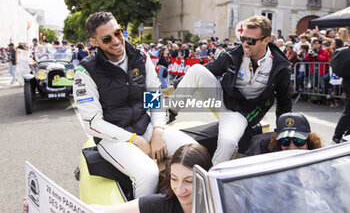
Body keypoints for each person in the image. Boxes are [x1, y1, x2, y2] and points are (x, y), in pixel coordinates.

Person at [73, 12, 197, 198]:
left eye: (118, 33)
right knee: (148, 174)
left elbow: (154, 95)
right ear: (94, 42)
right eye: (107, 38)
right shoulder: (85, 71)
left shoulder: (140, 56)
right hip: (113, 139)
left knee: (194, 154)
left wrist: (157, 130)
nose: (116, 41)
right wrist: (134, 139)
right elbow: (93, 123)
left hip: (144, 126)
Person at [166, 15, 292, 165]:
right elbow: (208, 70)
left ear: (266, 40)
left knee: (228, 143)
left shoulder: (280, 67)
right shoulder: (233, 53)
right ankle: (169, 114)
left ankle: (211, 180)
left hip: (240, 114)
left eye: (250, 41)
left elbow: (285, 102)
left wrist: (283, 133)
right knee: (197, 69)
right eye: (243, 38)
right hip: (222, 99)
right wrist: (173, 86)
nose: (245, 44)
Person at [91, 144, 212, 213]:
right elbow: (102, 210)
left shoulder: (223, 203)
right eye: (174, 179)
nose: (179, 190)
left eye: (188, 181)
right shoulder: (163, 204)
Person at [244, 112, 323, 156]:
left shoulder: (320, 161)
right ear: (278, 143)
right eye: (285, 141)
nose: (292, 148)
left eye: (298, 141)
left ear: (309, 142)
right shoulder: (262, 151)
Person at [332, 46, 350, 143]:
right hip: (348, 82)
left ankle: (344, 135)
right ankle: (338, 135)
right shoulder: (347, 53)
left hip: (347, 82)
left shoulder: (345, 52)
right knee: (348, 111)